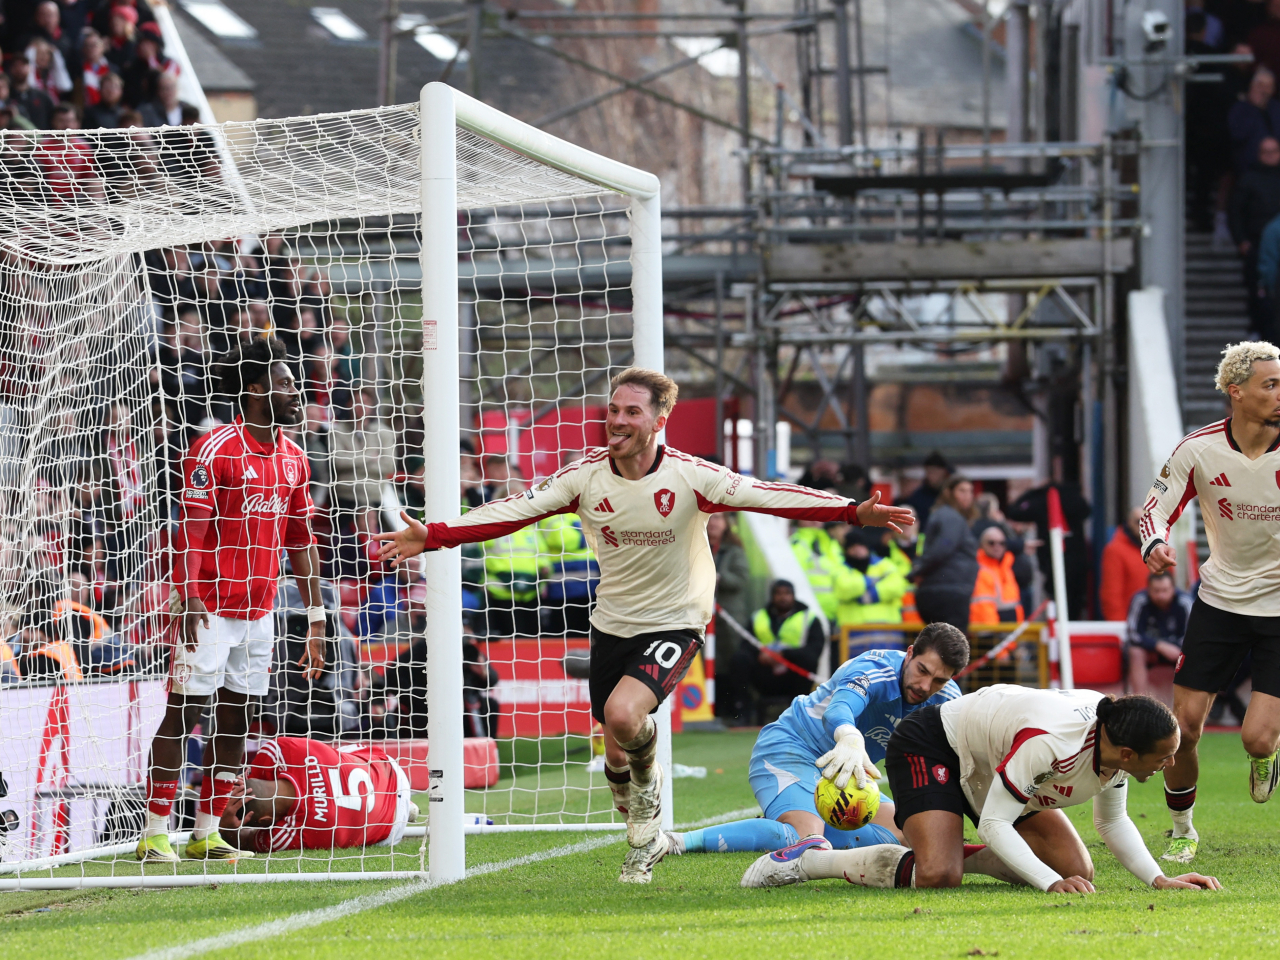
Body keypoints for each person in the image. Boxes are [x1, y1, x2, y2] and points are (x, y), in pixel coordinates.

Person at [374, 366, 913, 883]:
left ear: (659, 421)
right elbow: (515, 509)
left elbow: (767, 494)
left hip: (676, 621)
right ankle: (639, 812)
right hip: (613, 624)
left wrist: (849, 512)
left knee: (623, 714)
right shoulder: (585, 476)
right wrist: (436, 534)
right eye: (612, 409)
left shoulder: (690, 476)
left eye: (631, 411)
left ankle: (649, 789)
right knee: (614, 747)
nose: (617, 420)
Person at [136, 338, 326, 863]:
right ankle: (153, 834)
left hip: (260, 612)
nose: (297, 393)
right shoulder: (213, 449)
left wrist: (316, 617)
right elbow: (190, 533)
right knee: (186, 713)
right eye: (287, 384)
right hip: (211, 608)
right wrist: (187, 594)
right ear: (256, 389)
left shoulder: (294, 459)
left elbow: (301, 541)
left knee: (239, 719)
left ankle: (206, 831)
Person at [744, 686, 1221, 894]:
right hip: (936, 743)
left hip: (994, 763)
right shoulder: (1051, 743)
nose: (1172, 763)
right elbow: (995, 821)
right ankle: (808, 862)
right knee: (938, 875)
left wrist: (1159, 879)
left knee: (1078, 866)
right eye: (1165, 755)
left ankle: (953, 848)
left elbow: (1111, 820)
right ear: (1130, 753)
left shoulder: (1117, 745)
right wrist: (1049, 883)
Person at [1139, 340, 1280, 862]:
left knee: (1259, 740)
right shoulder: (1198, 449)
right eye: (1271, 385)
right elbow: (1155, 507)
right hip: (1220, 601)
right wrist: (1154, 543)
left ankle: (1267, 758)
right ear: (1236, 392)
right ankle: (1181, 830)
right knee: (1183, 728)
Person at [678, 623, 966, 864]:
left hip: (844, 769)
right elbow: (838, 710)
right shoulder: (876, 669)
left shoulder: (947, 700)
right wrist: (850, 737)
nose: (925, 687)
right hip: (790, 747)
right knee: (806, 839)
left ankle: (786, 823)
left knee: (910, 834)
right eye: (922, 670)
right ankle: (677, 841)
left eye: (939, 680)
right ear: (911, 653)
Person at [218, 737, 417, 852]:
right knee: (335, 754)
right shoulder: (277, 750)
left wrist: (225, 828)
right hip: (389, 768)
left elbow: (243, 841)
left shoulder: (291, 832)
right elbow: (251, 783)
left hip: (391, 826)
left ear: (265, 820)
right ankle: (409, 807)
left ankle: (408, 810)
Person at [724, 579, 825, 723]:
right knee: (739, 659)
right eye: (778, 593)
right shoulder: (758, 617)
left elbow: (815, 649)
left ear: (794, 596)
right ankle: (742, 712)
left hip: (792, 673)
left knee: (808, 660)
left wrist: (784, 655)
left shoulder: (809, 618)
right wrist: (761, 654)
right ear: (772, 596)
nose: (783, 597)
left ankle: (800, 713)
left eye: (787, 593)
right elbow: (745, 644)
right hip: (764, 672)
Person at [909, 475, 979, 634]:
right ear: (948, 492)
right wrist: (918, 569)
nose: (967, 496)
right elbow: (944, 547)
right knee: (953, 648)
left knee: (942, 645)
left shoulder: (947, 516)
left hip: (942, 590)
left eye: (970, 491)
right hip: (948, 593)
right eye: (962, 490)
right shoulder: (951, 516)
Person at [1230, 135, 1280, 336]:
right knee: (1259, 293)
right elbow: (1235, 211)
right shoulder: (1248, 179)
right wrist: (1241, 240)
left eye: (1274, 151)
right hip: (1257, 243)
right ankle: (1260, 331)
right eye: (1265, 152)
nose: (1269, 156)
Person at [834, 528, 908, 655]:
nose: (857, 549)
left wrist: (868, 595)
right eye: (852, 546)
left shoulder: (885, 564)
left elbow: (898, 586)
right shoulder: (841, 568)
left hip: (888, 635)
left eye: (861, 545)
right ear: (846, 550)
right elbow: (844, 588)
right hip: (854, 639)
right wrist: (871, 580)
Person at [1126, 572, 1194, 697]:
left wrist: (1176, 649)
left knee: (1194, 653)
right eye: (1156, 591)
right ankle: (1141, 703)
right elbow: (1133, 633)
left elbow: (1193, 634)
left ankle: (1189, 705)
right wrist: (1159, 646)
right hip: (1149, 650)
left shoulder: (1185, 602)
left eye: (1164, 590)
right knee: (1135, 652)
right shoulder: (1140, 600)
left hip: (1178, 650)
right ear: (1148, 589)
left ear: (1173, 589)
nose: (1160, 595)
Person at [1100, 506, 1152, 622]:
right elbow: (1111, 594)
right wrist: (1118, 625)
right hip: (1128, 622)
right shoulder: (1115, 551)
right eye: (1139, 522)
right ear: (1129, 523)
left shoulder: (1158, 549)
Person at [969, 525, 1024, 626]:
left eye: (1002, 543)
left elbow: (1013, 604)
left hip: (1010, 633)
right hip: (992, 634)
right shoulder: (980, 570)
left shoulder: (1006, 568)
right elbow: (984, 607)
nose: (997, 546)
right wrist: (992, 633)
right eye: (991, 543)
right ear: (982, 545)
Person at [903, 451, 952, 527]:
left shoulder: (951, 494)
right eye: (928, 472)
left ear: (944, 472)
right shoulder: (918, 497)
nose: (931, 476)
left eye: (934, 472)